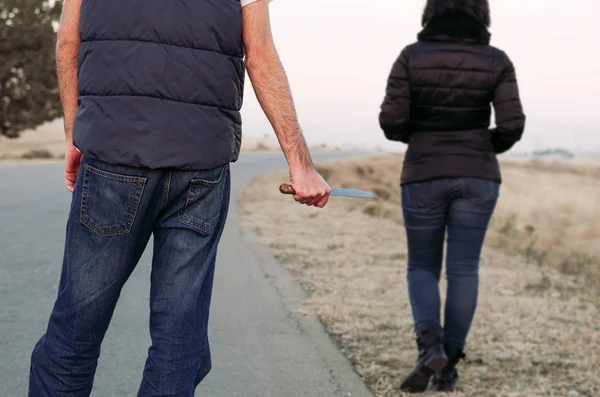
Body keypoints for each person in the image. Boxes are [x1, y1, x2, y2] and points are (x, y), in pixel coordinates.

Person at [28, 0, 331, 396]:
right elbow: (259, 57)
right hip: (199, 165)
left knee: (75, 330)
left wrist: (75, 133)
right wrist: (300, 163)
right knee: (178, 341)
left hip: (114, 152)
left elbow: (69, 42)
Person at [379, 0, 525, 393]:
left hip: (424, 172)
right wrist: (480, 145)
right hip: (478, 174)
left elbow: (391, 122)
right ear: (481, 13)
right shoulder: (497, 60)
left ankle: (430, 350)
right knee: (464, 269)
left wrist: (424, 136)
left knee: (422, 268)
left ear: (432, 11)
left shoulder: (412, 57)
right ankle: (448, 366)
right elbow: (512, 124)